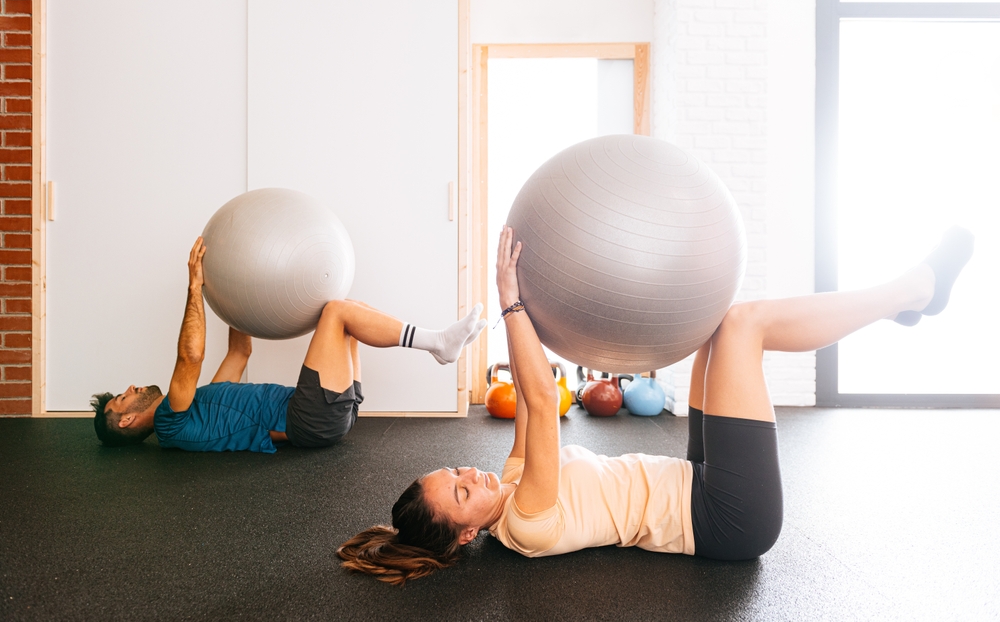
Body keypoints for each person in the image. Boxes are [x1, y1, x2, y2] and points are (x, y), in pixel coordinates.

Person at [337, 224, 975, 584]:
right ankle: (912, 292)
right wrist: (509, 299)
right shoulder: (526, 522)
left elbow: (536, 406)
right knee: (746, 326)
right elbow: (537, 392)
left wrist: (540, 306)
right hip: (725, 518)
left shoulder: (506, 485)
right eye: (458, 493)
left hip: (695, 479)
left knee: (719, 325)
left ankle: (908, 302)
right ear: (469, 532)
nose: (466, 475)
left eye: (452, 472)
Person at [91, 237, 487, 452]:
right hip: (310, 419)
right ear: (126, 421)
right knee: (335, 312)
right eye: (121, 401)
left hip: (326, 414)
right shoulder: (170, 421)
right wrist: (194, 288)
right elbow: (190, 355)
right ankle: (438, 342)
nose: (131, 390)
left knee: (351, 309)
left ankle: (440, 342)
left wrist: (233, 290)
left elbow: (239, 352)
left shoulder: (195, 404)